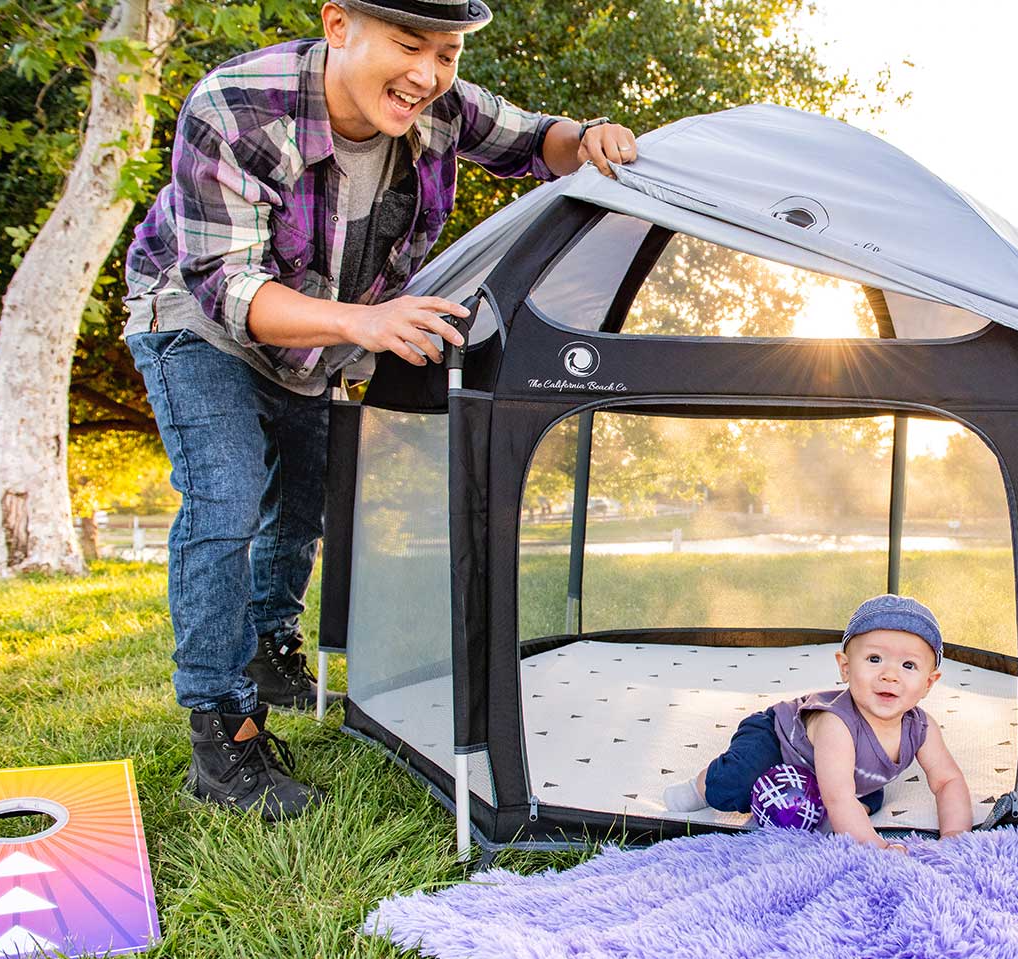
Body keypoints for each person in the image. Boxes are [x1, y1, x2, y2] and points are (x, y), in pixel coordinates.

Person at [122, 0, 638, 822]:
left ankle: (267, 649)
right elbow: (229, 288)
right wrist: (366, 325)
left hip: (318, 333)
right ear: (337, 26)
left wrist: (590, 137)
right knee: (226, 496)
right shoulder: (236, 105)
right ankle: (220, 732)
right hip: (196, 317)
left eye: (447, 54)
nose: (428, 76)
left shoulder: (441, 106)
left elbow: (540, 139)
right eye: (408, 46)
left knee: (306, 504)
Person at [663, 595, 974, 850]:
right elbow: (838, 794)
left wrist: (955, 838)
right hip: (777, 740)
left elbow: (947, 781)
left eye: (908, 665)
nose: (889, 674)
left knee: (864, 800)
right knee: (736, 783)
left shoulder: (922, 728)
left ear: (930, 683)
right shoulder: (836, 724)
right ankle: (703, 784)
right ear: (846, 668)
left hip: (838, 775)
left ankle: (842, 809)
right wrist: (874, 846)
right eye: (874, 659)